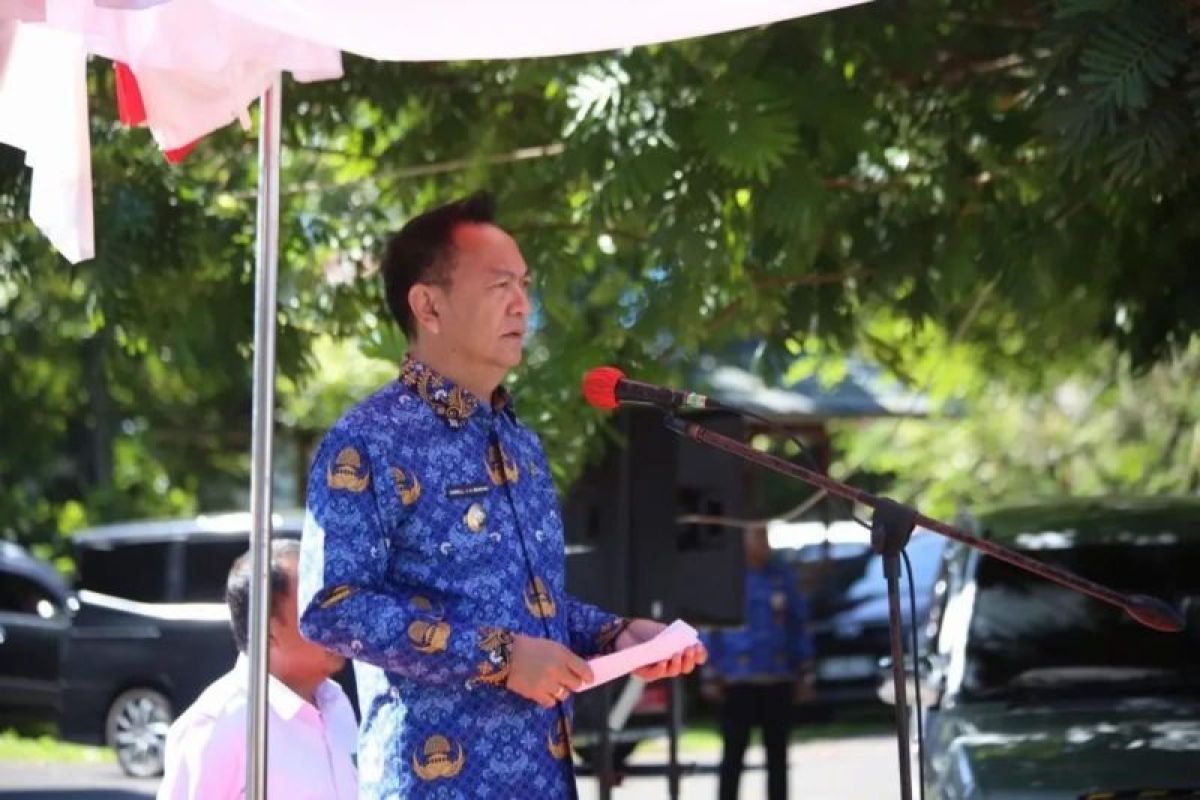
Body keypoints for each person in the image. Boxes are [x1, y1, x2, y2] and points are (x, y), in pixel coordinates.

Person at [298, 190, 706, 799]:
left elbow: (528, 608)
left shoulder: (519, 443)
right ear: (429, 306)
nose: (522, 304)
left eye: (524, 284)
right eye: (499, 285)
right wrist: (500, 656)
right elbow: (331, 607)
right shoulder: (369, 441)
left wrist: (614, 635)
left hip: (545, 778)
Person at [157, 539, 358, 800]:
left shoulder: (336, 703)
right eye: (317, 607)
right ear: (267, 629)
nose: (338, 620)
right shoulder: (219, 723)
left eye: (335, 601)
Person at [700, 524, 815, 800]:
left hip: (777, 677)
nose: (763, 544)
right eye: (756, 536)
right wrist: (710, 671)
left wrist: (805, 671)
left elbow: (798, 624)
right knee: (733, 753)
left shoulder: (781, 578)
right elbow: (711, 629)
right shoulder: (728, 580)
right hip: (737, 679)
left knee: (777, 755)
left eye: (765, 536)